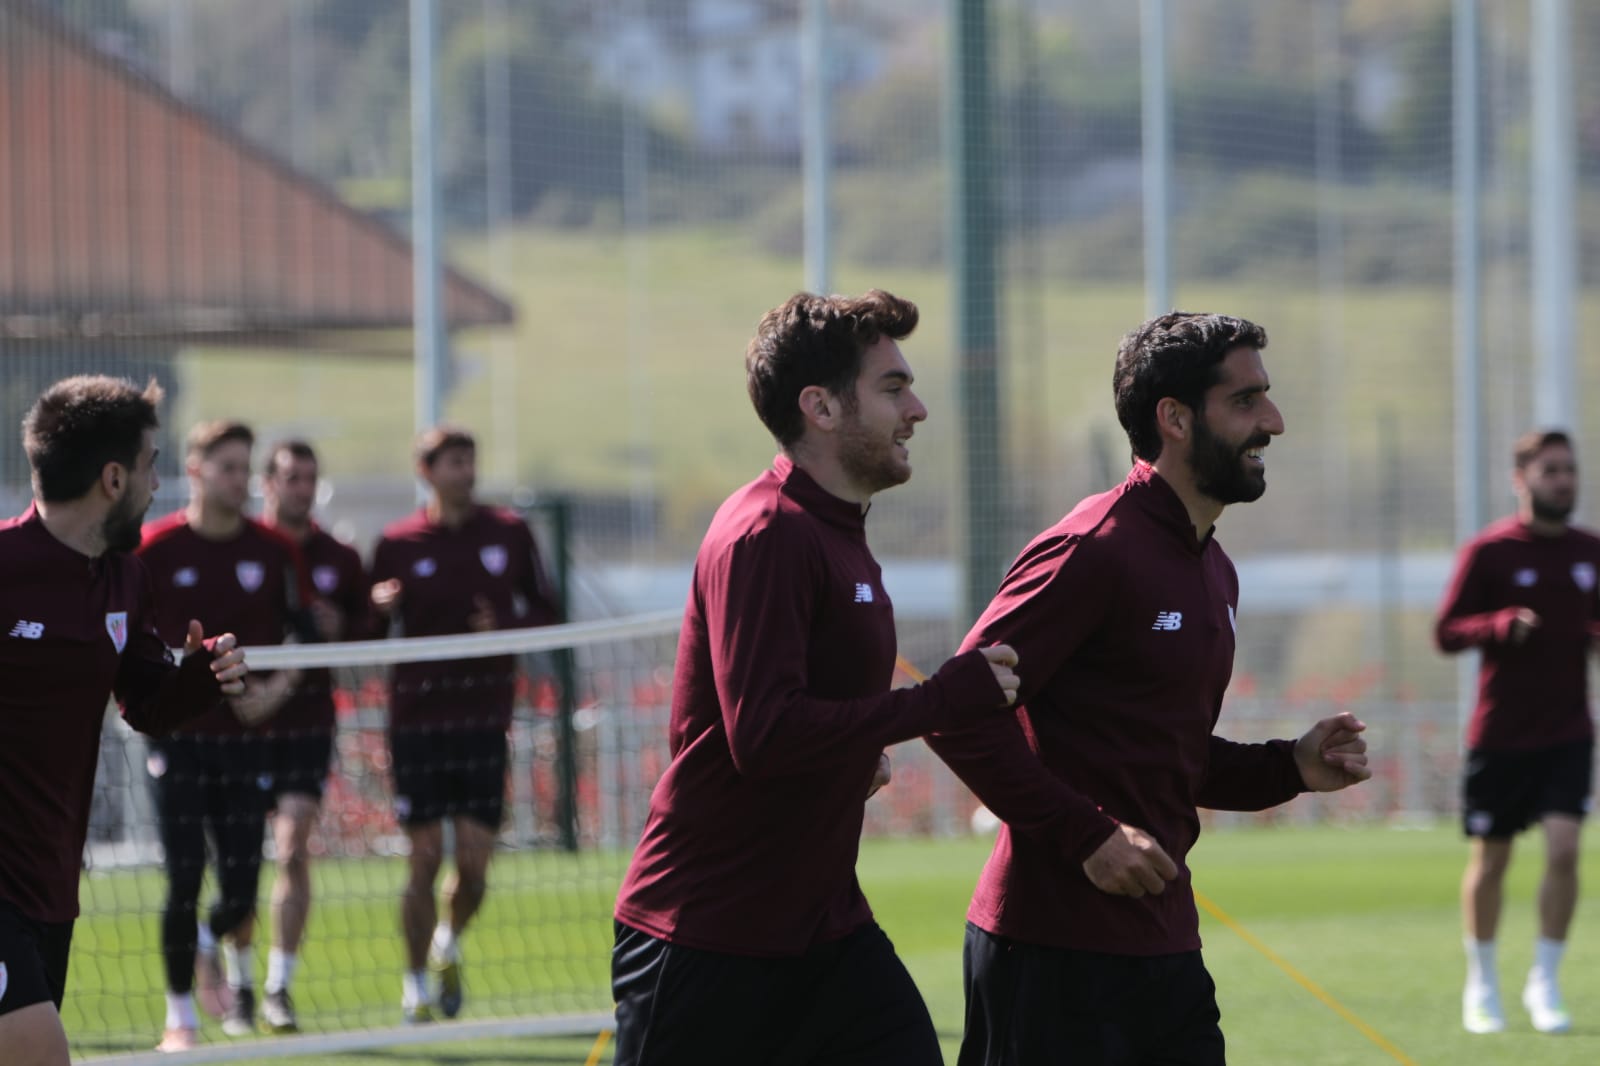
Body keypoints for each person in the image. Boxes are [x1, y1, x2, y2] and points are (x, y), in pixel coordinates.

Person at [926, 311, 1371, 1066]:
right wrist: (1087, 835)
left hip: (1164, 945)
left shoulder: (1213, 566)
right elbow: (954, 711)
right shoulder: (1092, 548)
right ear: (1174, 418)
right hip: (1050, 953)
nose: (1274, 422)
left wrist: (1286, 767)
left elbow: (1162, 751)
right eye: (1245, 401)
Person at [610, 290, 1021, 1066]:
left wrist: (849, 754)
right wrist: (937, 702)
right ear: (822, 408)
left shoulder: (840, 533)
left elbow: (803, 724)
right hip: (708, 932)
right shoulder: (768, 531)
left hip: (820, 928)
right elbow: (763, 736)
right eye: (893, 388)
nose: (919, 409)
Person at [0, 376, 248, 1066]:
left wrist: (203, 679)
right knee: (41, 1052)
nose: (156, 482)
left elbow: (148, 707)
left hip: (49, 886)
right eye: (149, 465)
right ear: (114, 478)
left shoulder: (126, 580)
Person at [369, 425, 561, 1024]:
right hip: (417, 723)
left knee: (475, 869)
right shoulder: (397, 543)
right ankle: (413, 985)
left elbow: (548, 611)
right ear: (426, 471)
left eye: (470, 461)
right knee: (423, 857)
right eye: (454, 462)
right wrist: (379, 608)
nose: (466, 472)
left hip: (484, 720)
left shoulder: (508, 532)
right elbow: (366, 633)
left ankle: (446, 943)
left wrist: (502, 619)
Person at [138, 421, 312, 1050]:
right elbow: (124, 641)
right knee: (184, 875)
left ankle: (208, 944)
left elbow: (304, 640)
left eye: (246, 468)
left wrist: (271, 692)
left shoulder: (272, 552)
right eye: (228, 467)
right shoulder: (152, 549)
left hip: (244, 744)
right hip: (176, 742)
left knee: (241, 889)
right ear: (196, 470)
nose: (240, 480)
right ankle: (179, 1015)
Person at [1435, 429, 1600, 1035]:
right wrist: (1500, 624)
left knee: (1564, 849)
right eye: (1551, 470)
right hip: (1500, 734)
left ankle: (1545, 981)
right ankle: (1481, 982)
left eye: (1569, 470)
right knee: (1493, 857)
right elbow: (1447, 631)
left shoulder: (1590, 552)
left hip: (1568, 730)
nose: (1563, 480)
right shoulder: (1491, 552)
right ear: (1522, 479)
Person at [256, 440, 369, 1033]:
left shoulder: (339, 558)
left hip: (307, 720)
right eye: (290, 477)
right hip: (238, 725)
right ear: (267, 482)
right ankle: (232, 970)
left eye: (309, 478)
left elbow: (367, 630)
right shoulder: (245, 548)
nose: (301, 487)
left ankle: (279, 983)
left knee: (292, 845)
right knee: (236, 862)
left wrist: (346, 624)